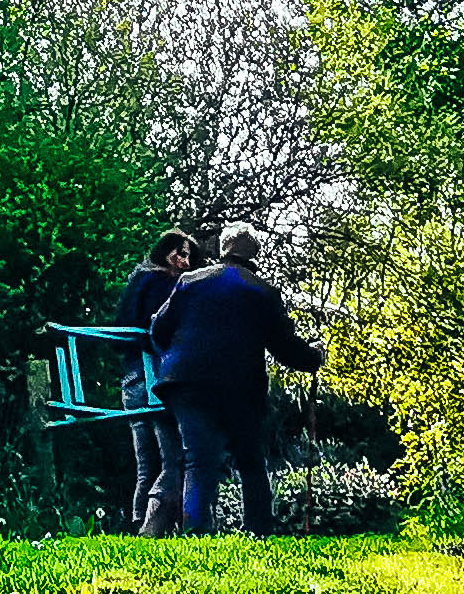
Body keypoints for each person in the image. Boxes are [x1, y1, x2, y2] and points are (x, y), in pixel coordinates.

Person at [145, 223, 324, 536]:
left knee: (198, 459)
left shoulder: (190, 281)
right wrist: (314, 357)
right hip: (239, 387)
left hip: (187, 383)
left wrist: (177, 356)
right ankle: (258, 530)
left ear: (222, 249)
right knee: (250, 459)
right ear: (255, 254)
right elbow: (284, 346)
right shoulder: (263, 291)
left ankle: (196, 531)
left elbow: (159, 328)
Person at [115, 232, 194, 535]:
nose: (184, 262)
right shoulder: (163, 285)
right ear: (165, 253)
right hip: (154, 378)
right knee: (172, 456)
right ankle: (155, 526)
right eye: (180, 254)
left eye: (187, 256)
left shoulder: (137, 281)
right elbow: (160, 330)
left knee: (145, 459)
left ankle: (138, 520)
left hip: (131, 378)